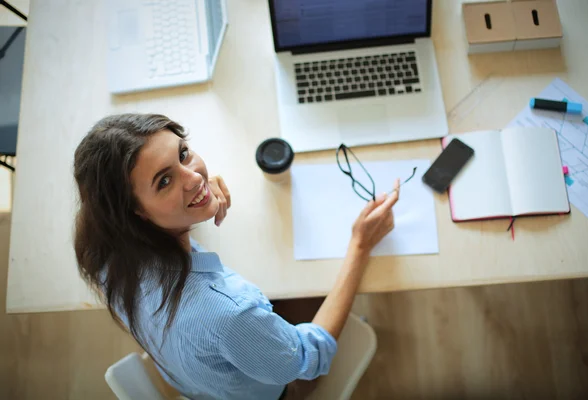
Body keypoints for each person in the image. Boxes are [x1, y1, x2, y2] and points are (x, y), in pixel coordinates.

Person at [73, 114, 399, 400]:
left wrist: (192, 202)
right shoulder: (228, 312)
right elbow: (306, 359)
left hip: (196, 381)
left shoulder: (104, 253)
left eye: (183, 155)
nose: (196, 177)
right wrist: (360, 245)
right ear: (136, 213)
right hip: (265, 389)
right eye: (165, 181)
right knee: (312, 286)